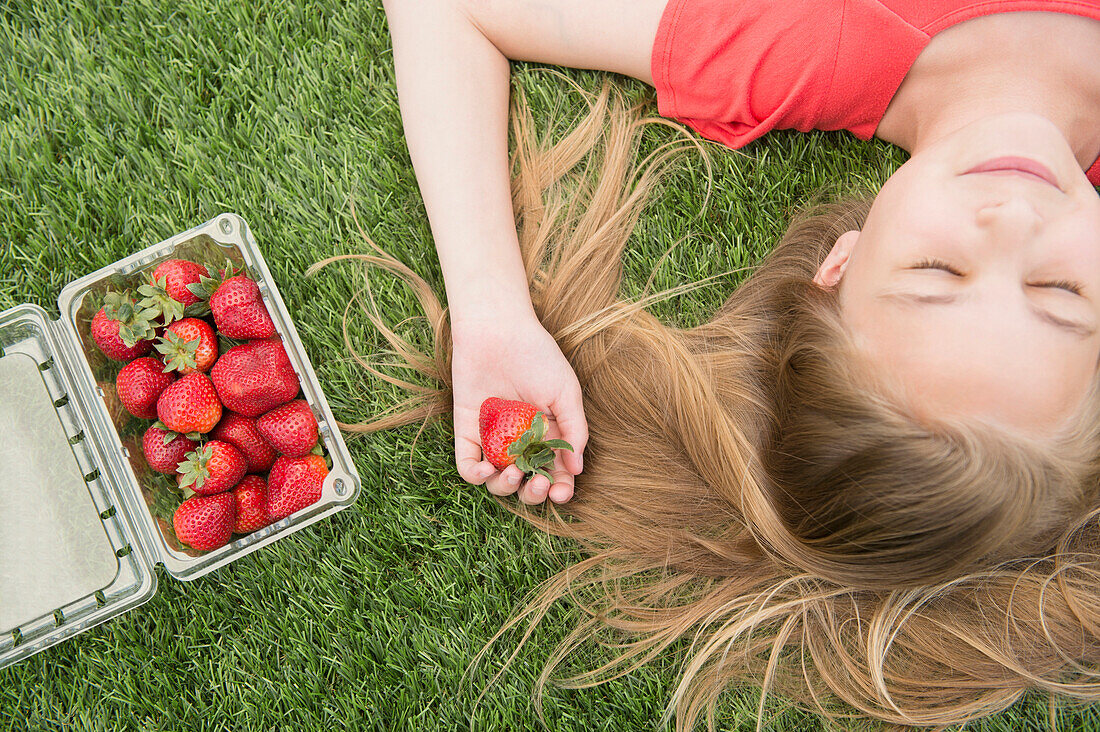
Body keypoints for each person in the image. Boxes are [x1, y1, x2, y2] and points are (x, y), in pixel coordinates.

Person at [316, 0, 1100, 727]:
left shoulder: (794, 46)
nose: (1014, 220)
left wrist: (492, 311)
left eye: (938, 273)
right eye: (1060, 293)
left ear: (840, 262)